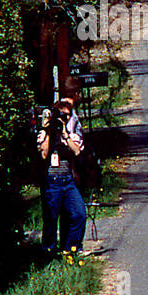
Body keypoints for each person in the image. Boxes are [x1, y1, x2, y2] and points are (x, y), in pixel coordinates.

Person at [38, 101, 87, 254]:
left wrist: (65, 134)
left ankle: (72, 247)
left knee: (79, 214)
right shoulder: (44, 134)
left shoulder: (68, 135)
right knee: (51, 219)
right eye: (61, 115)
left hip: (68, 180)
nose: (63, 119)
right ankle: (49, 250)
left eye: (66, 116)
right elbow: (43, 154)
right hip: (52, 182)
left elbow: (77, 151)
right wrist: (46, 128)